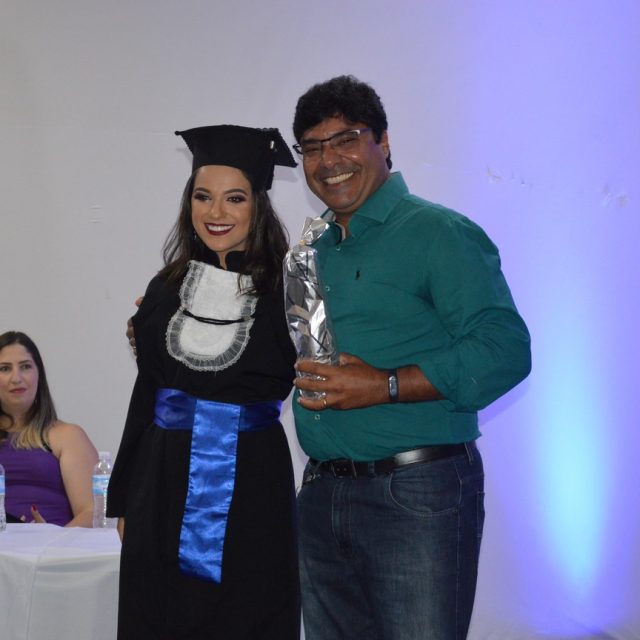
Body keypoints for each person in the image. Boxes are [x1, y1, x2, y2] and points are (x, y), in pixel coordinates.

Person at [289, 76, 532, 640]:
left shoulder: (438, 232)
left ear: (384, 141)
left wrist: (386, 385)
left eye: (346, 139)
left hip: (415, 493)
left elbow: (505, 349)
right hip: (322, 494)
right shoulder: (310, 250)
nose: (329, 160)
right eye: (313, 147)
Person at [107, 125, 300, 640]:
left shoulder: (290, 291)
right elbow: (146, 393)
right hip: (161, 484)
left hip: (253, 486)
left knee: (249, 613)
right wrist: (124, 497)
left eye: (234, 198)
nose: (216, 212)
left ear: (258, 206)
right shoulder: (164, 289)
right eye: (203, 196)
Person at [0, 331, 98, 527]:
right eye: (5, 369)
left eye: (25, 366)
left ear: (39, 374)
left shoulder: (68, 436)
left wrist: (50, 540)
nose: (16, 378)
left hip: (55, 544)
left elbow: (91, 512)